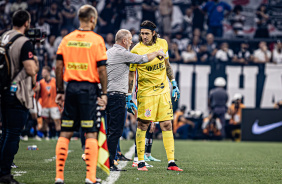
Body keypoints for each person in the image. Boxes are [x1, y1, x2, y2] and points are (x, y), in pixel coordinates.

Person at [54, 5, 107, 184]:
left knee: (66, 131)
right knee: (90, 133)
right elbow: (102, 69)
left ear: (79, 18)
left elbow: (59, 67)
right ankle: (90, 177)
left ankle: (59, 177)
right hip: (89, 90)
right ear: (92, 19)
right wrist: (105, 93)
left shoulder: (66, 39)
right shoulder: (97, 39)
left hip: (71, 89)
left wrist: (60, 90)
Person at [106, 29, 165, 171]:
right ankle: (110, 162)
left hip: (107, 95)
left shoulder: (108, 52)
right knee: (116, 131)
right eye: (130, 39)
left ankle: (101, 157)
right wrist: (157, 52)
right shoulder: (122, 53)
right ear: (124, 40)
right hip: (116, 96)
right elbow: (142, 59)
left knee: (109, 130)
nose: (132, 41)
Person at [128, 20, 182, 171]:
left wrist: (174, 83)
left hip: (163, 90)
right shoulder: (136, 50)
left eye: (146, 33)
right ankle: (140, 162)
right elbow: (131, 75)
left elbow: (167, 65)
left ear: (153, 33)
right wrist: (128, 95)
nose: (144, 36)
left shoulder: (163, 44)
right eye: (142, 33)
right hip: (146, 92)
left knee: (167, 124)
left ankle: (171, 162)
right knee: (143, 125)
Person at [0, 10, 38, 184]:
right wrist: (35, 62)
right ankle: (5, 173)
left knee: (5, 132)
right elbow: (30, 69)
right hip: (16, 93)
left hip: (3, 89)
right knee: (13, 133)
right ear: (27, 23)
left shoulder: (4, 36)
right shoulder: (24, 42)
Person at [37, 66, 61, 139]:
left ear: (48, 72)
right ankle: (45, 135)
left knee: (56, 121)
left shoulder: (55, 81)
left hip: (54, 104)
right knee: (45, 122)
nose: (42, 74)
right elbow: (37, 94)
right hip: (44, 105)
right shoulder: (40, 83)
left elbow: (59, 91)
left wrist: (60, 103)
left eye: (44, 72)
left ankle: (58, 136)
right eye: (42, 72)